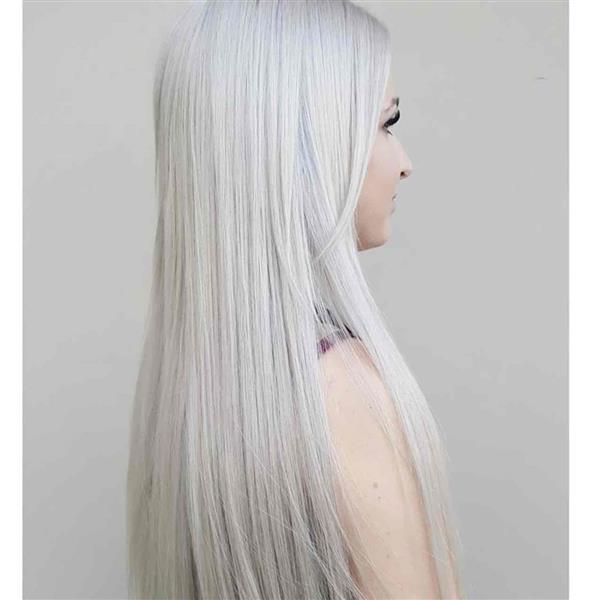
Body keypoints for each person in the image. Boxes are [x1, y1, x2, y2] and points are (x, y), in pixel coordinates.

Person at [127, 1, 464, 598]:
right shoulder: (346, 391)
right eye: (385, 124)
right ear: (305, 148)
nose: (404, 163)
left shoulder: (191, 390)